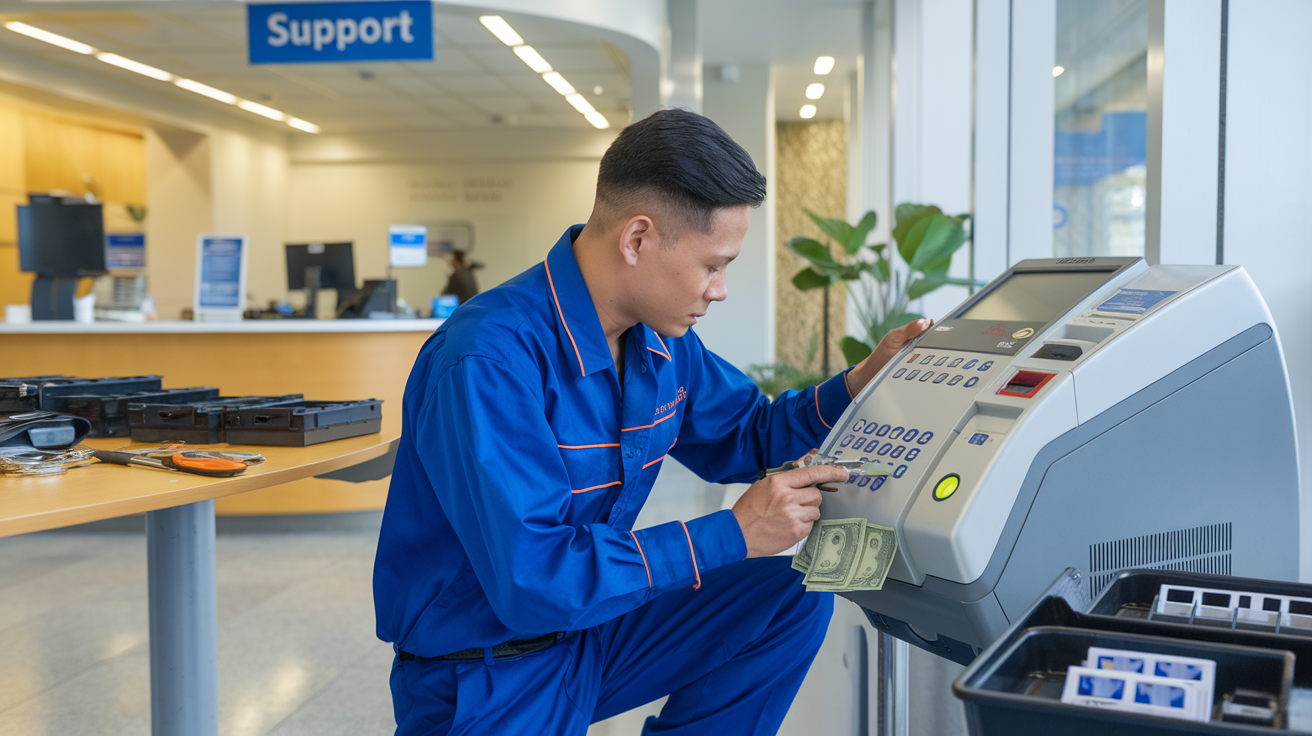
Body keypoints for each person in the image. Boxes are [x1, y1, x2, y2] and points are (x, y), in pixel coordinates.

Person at [373, 109, 931, 735]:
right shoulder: (488, 359)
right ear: (637, 239)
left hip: (589, 635)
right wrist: (733, 532)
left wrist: (859, 382)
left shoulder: (660, 341)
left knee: (789, 595)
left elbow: (749, 436)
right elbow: (533, 579)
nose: (719, 290)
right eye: (712, 265)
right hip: (483, 671)